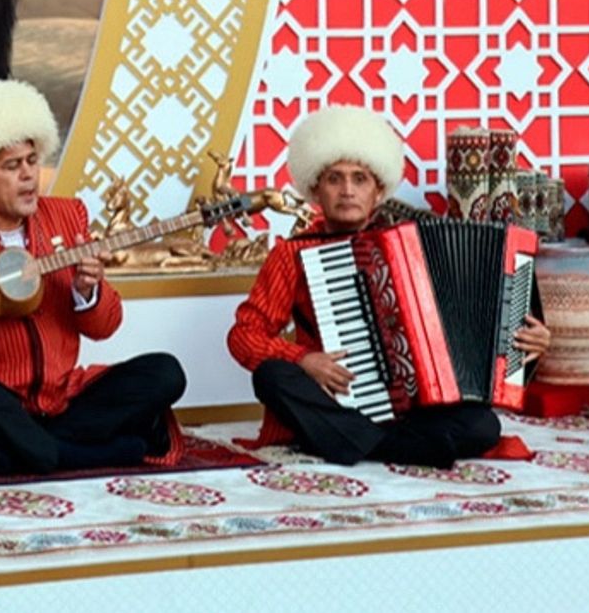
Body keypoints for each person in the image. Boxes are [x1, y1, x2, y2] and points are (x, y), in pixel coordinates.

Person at [0, 80, 187, 473]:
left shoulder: (67, 216)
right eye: (12, 166)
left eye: (31, 160)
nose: (29, 176)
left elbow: (106, 326)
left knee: (165, 373)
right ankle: (90, 453)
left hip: (62, 401)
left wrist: (87, 292)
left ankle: (32, 452)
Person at [227, 105, 553, 466]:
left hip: (410, 408)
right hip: (334, 395)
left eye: (360, 179)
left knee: (483, 425)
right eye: (334, 178)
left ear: (378, 190)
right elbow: (243, 336)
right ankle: (395, 446)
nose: (347, 190)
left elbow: (480, 339)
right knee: (272, 377)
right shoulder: (291, 254)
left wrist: (529, 343)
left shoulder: (409, 246)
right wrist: (304, 360)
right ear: (315, 190)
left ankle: (365, 443)